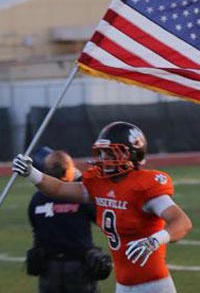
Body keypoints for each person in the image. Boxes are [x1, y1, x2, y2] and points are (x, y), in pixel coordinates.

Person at [13, 121, 192, 293]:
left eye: (111, 153)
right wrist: (32, 173)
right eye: (103, 153)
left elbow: (182, 222)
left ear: (131, 154)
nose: (104, 158)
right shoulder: (100, 183)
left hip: (155, 285)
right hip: (123, 285)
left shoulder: (144, 185)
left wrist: (154, 240)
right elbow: (59, 189)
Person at [26, 147, 112, 293]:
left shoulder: (37, 198)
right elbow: (101, 217)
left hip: (48, 268)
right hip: (79, 267)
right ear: (67, 171)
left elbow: (34, 225)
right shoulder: (78, 196)